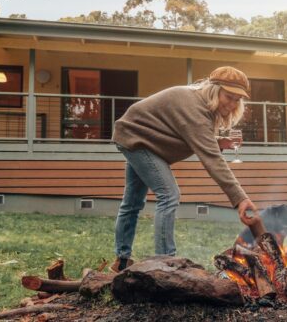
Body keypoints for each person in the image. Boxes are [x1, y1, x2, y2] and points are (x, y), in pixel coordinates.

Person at [110, 66, 258, 271]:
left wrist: (218, 142)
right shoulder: (195, 108)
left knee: (132, 202)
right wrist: (240, 199)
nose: (232, 104)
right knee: (169, 195)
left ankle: (121, 260)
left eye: (237, 100)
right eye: (229, 96)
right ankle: (165, 263)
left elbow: (186, 134)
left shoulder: (198, 104)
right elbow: (212, 159)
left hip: (143, 139)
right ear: (215, 90)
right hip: (137, 138)